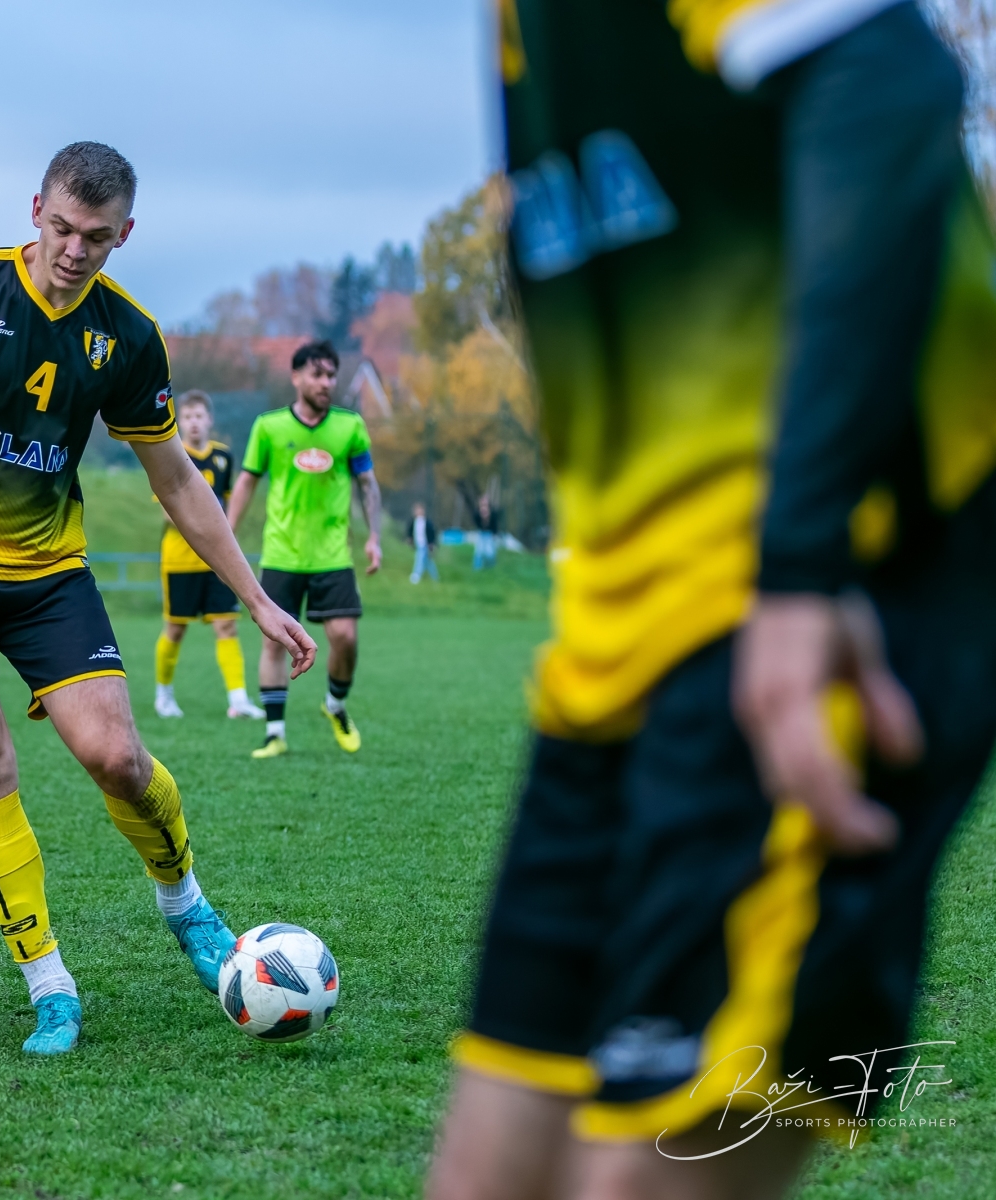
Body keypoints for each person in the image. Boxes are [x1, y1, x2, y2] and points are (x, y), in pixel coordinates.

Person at [426, 4, 996, 1199]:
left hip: (815, 615)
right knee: (485, 1170)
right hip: (612, 658)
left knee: (639, 1178)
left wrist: (801, 568)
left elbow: (891, 86)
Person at [0, 142, 316, 1055]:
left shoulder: (128, 334)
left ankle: (185, 901)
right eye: (61, 228)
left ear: (124, 234)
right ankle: (50, 986)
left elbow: (175, 480)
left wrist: (256, 599)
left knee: (117, 759)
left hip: (48, 574)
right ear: (36, 210)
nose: (72, 250)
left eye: (95, 237)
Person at [228, 340, 382, 760]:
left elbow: (368, 484)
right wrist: (226, 532)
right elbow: (247, 481)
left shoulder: (350, 427)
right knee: (274, 642)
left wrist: (374, 537)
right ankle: (274, 733)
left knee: (345, 637)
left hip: (333, 554)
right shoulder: (269, 427)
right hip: (282, 553)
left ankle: (335, 704)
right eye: (317, 374)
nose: (326, 382)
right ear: (296, 377)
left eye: (331, 375)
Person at [152, 389, 264, 720]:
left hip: (216, 561)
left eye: (199, 416)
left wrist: (223, 542)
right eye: (187, 417)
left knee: (227, 625)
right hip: (180, 560)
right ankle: (163, 695)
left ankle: (238, 700)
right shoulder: (169, 455)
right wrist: (209, 529)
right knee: (175, 628)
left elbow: (228, 506)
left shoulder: (223, 457)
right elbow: (169, 512)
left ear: (210, 420)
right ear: (179, 421)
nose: (194, 423)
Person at [407, 502, 439, 583]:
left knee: (419, 559)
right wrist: (410, 539)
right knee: (427, 562)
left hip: (425, 544)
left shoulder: (427, 522)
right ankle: (435, 577)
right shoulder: (413, 521)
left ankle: (416, 575)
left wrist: (432, 544)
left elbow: (432, 533)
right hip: (418, 544)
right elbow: (410, 531)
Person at [471, 495, 500, 570]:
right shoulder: (477, 514)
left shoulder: (492, 514)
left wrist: (488, 519)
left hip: (490, 534)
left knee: (490, 553)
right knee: (478, 552)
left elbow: (495, 525)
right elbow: (477, 524)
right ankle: (477, 569)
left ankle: (491, 568)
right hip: (481, 534)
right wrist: (482, 519)